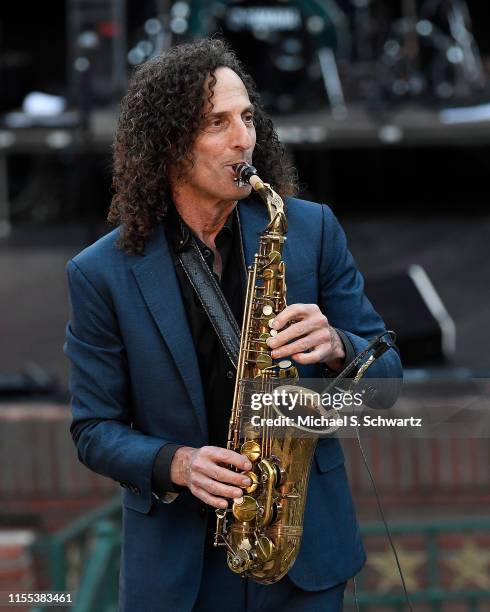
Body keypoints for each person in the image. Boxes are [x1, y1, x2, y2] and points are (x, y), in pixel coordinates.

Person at [64, 38, 402, 611]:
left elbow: (387, 385)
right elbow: (94, 429)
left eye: (247, 117)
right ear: (169, 144)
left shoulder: (311, 230)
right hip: (183, 572)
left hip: (304, 557)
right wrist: (176, 463)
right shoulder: (100, 273)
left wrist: (341, 347)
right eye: (216, 123)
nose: (242, 137)